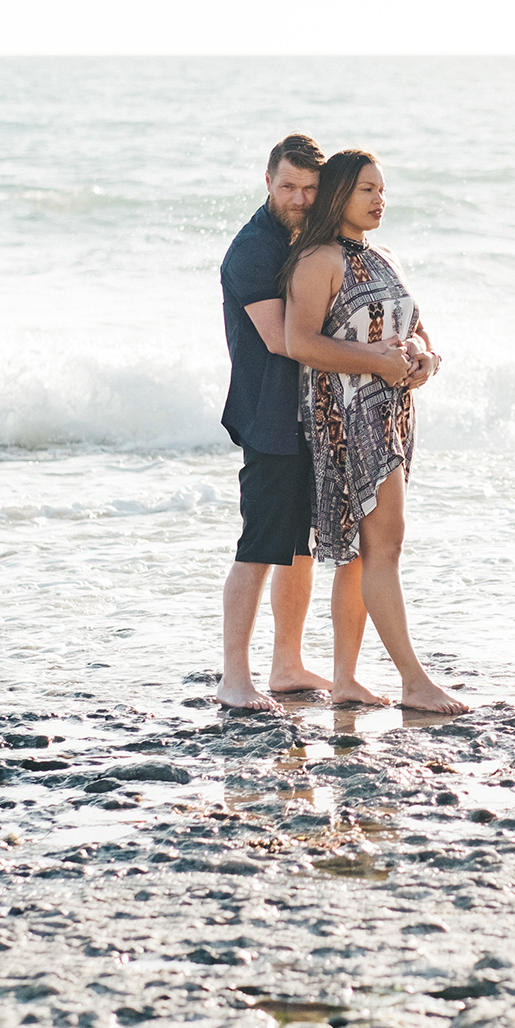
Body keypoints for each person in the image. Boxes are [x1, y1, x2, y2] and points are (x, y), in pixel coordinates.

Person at [217, 135, 416, 711]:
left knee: (302, 546)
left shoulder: (314, 240)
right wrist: (381, 361)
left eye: (310, 188)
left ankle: (286, 664)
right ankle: (234, 677)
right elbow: (285, 340)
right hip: (271, 417)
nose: (300, 199)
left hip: (321, 420)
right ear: (267, 180)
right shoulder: (254, 249)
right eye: (289, 187)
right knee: (260, 545)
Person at [280, 149, 468, 715]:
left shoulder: (384, 256)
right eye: (367, 190)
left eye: (383, 190)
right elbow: (300, 342)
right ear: (339, 194)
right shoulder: (318, 259)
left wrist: (426, 361)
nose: (380, 199)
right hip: (348, 417)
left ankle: (345, 681)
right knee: (384, 547)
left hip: (393, 413)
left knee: (365, 555)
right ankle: (413, 680)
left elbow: (420, 331)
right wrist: (376, 361)